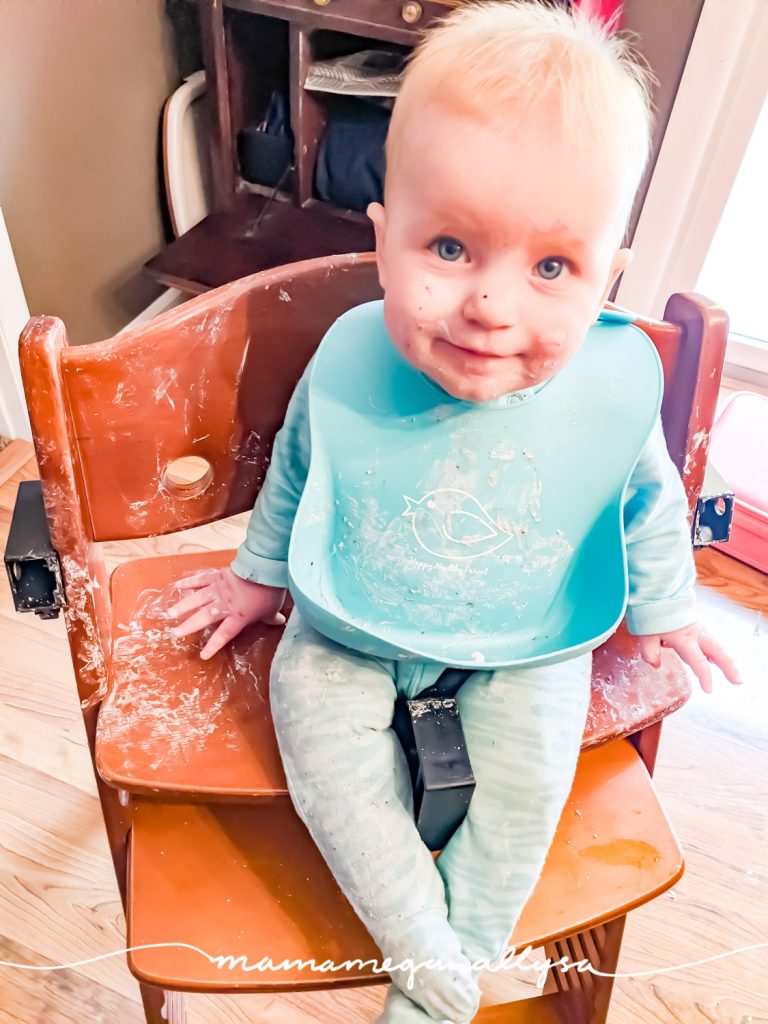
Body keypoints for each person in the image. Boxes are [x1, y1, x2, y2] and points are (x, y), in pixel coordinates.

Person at [168, 3, 740, 1021]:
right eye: (448, 247)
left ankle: (452, 970)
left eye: (552, 267)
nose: (493, 303)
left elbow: (643, 495)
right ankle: (416, 933)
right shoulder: (347, 357)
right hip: (350, 622)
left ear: (606, 282)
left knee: (530, 777)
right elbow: (302, 468)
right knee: (315, 727)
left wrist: (668, 611)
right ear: (383, 241)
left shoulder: (610, 383)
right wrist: (258, 580)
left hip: (525, 633)